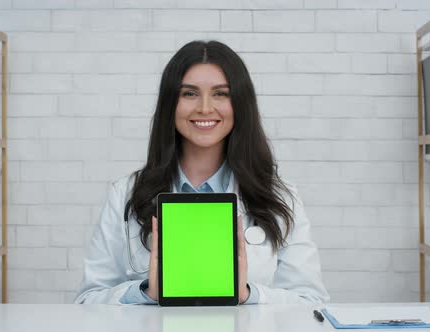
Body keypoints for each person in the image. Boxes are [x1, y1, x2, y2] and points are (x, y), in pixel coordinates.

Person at [75, 40, 329, 305]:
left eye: (221, 93)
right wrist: (146, 292)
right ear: (170, 104)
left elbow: (311, 301)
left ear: (240, 103)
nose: (205, 108)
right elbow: (88, 300)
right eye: (189, 94)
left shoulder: (279, 196)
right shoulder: (125, 193)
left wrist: (248, 295)